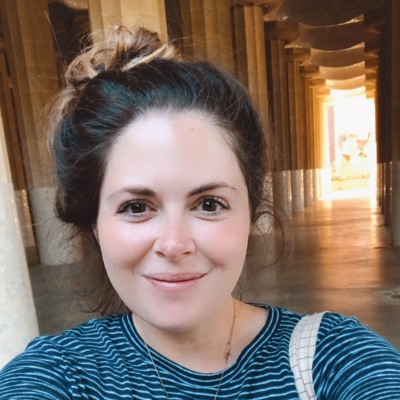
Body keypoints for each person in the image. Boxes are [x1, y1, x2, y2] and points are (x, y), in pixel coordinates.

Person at [1, 26, 399, 399]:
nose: (174, 244)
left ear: (251, 212)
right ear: (95, 223)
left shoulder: (333, 359)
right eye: (136, 207)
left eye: (209, 204)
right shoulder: (61, 375)